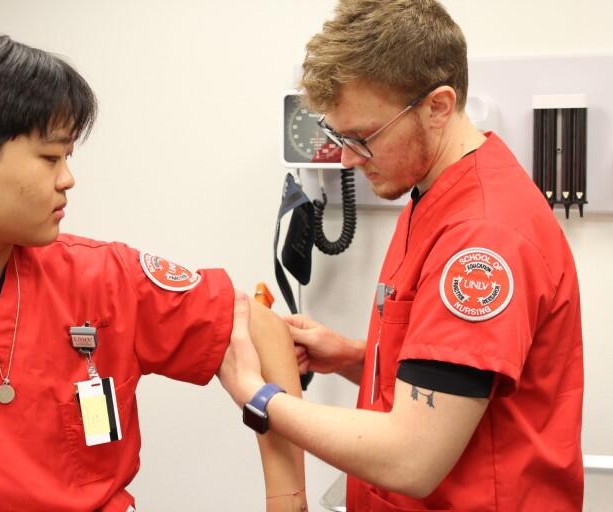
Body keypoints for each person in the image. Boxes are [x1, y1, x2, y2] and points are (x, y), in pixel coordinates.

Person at [0, 33, 308, 512]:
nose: (68, 178)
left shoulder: (102, 278)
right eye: (51, 158)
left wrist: (287, 500)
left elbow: (259, 327)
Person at [219, 1, 584, 510]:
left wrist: (256, 396)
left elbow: (413, 459)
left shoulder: (482, 237)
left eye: (361, 138)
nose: (346, 158)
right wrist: (353, 356)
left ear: (437, 106)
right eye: (336, 137)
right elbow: (451, 373)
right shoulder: (431, 193)